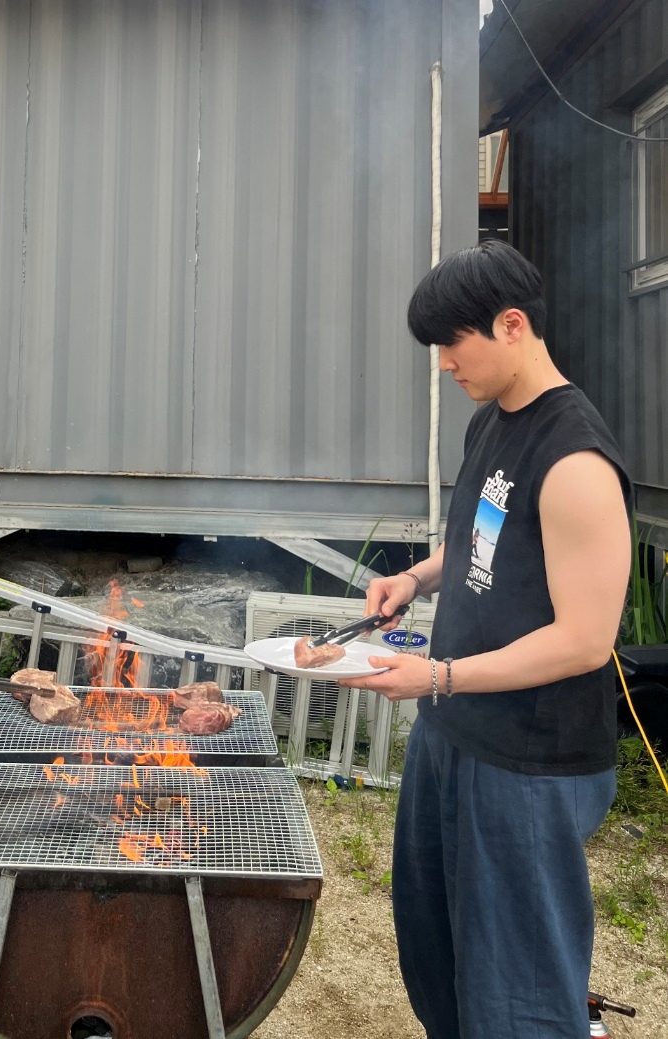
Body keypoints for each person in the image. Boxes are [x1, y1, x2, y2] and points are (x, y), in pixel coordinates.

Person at [340, 240, 631, 1039]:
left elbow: (585, 641)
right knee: (437, 953)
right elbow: (480, 538)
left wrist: (437, 676)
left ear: (511, 326)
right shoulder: (492, 424)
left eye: (451, 344)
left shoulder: (574, 460)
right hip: (456, 734)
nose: (444, 365)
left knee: (516, 991)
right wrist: (415, 579)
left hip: (529, 761)